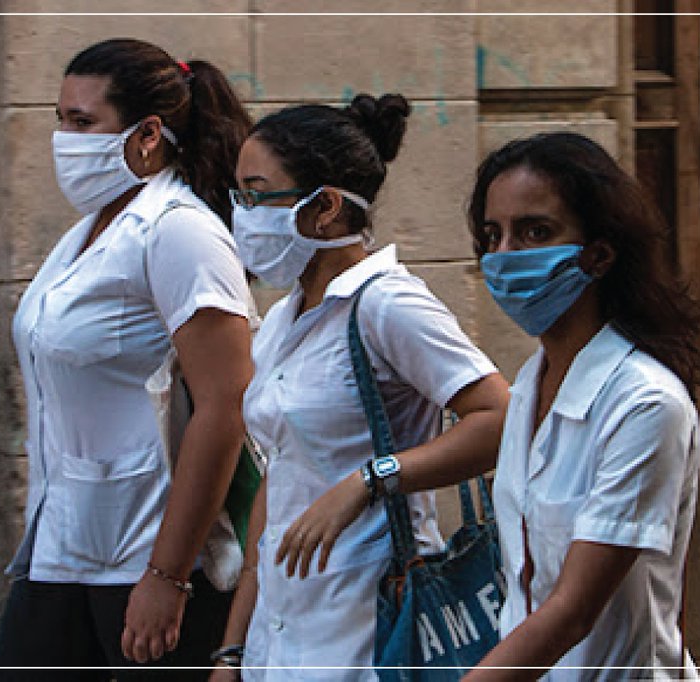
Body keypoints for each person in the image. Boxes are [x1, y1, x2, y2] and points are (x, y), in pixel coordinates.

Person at [210, 94, 509, 680]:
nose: (240, 213)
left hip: (372, 620)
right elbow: (282, 476)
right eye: (237, 194)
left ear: (323, 207)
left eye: (254, 192)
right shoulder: (283, 319)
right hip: (285, 621)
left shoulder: (388, 305)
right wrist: (233, 647)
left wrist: (368, 481)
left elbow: (499, 416)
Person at [0, 38, 256, 679]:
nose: (64, 138)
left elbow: (226, 407)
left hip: (148, 558)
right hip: (61, 549)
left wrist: (166, 575)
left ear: (148, 135)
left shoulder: (179, 232)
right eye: (61, 119)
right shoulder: (89, 231)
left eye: (83, 122)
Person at [462, 132, 700, 680]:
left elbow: (572, 611)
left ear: (598, 254)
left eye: (535, 232)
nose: (504, 256)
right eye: (492, 235)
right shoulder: (532, 381)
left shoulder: (644, 402)